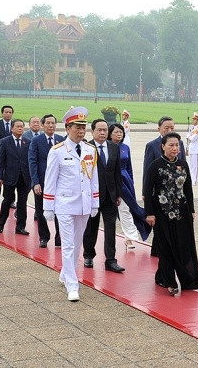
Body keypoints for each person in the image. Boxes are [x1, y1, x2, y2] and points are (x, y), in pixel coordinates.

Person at [42, 107, 99, 302]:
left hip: (83, 204)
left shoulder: (90, 150)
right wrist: (48, 206)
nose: (81, 131)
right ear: (67, 128)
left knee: (77, 243)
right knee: (67, 245)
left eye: (83, 128)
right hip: (64, 203)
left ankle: (66, 273)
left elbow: (94, 179)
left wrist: (94, 202)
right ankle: (72, 285)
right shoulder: (57, 151)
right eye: (77, 127)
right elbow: (50, 179)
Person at [143, 132, 198, 296]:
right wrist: (149, 213)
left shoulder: (183, 164)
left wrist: (191, 210)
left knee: (182, 245)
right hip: (161, 212)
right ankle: (170, 281)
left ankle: (181, 278)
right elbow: (148, 190)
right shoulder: (156, 165)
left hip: (181, 212)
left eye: (177, 145)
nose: (175, 148)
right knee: (166, 246)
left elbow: (188, 188)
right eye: (171, 145)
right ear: (163, 147)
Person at [82, 119, 125, 273]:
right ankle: (88, 255)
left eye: (105, 130)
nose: (102, 133)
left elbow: (116, 172)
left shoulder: (114, 147)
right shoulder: (86, 148)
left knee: (111, 228)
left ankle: (111, 260)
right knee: (91, 228)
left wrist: (118, 193)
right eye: (99, 130)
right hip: (92, 196)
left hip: (110, 196)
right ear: (92, 131)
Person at [108, 123, 150, 249]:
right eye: (116, 132)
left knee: (126, 209)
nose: (119, 134)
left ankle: (129, 238)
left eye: (121, 132)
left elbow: (129, 167)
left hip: (125, 180)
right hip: (113, 181)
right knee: (122, 209)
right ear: (110, 134)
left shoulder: (125, 147)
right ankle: (130, 237)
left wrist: (131, 182)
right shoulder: (107, 147)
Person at [28, 114, 65, 248]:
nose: (51, 126)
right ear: (43, 125)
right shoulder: (36, 140)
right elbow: (32, 162)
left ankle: (59, 237)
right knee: (41, 209)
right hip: (42, 181)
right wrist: (35, 182)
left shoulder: (61, 140)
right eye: (48, 123)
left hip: (59, 182)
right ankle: (44, 237)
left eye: (53, 123)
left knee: (59, 210)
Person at [0, 119, 31, 235]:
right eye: (18, 126)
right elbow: (0, 161)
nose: (20, 128)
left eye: (22, 126)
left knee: (22, 202)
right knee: (7, 200)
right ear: (12, 128)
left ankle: (20, 226)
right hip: (10, 177)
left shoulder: (27, 142)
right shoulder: (5, 142)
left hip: (24, 178)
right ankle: (1, 223)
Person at [186, 112, 198, 185]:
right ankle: (192, 179)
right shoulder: (193, 128)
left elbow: (192, 138)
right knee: (192, 165)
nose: (193, 121)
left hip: (195, 148)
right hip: (192, 148)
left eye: (194, 119)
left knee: (195, 166)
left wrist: (188, 136)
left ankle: (194, 180)